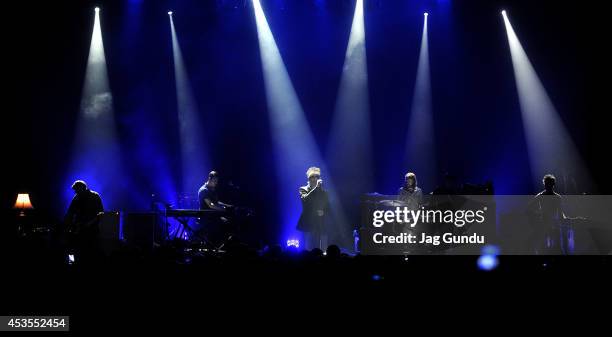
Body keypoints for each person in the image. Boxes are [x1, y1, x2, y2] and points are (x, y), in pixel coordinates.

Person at [64, 180, 104, 263]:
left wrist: (90, 222)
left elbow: (101, 213)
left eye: (77, 190)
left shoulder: (95, 196)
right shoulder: (76, 197)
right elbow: (70, 212)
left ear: (82, 188)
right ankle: (71, 263)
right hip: (78, 229)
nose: (76, 192)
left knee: (89, 251)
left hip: (91, 230)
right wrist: (69, 226)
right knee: (72, 249)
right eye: (75, 191)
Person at [529, 174, 570, 254]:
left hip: (551, 225)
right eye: (546, 184)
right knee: (546, 247)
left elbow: (561, 214)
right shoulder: (546, 196)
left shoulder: (551, 197)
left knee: (551, 247)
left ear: (552, 184)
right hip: (546, 224)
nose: (547, 186)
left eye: (549, 184)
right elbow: (529, 209)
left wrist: (567, 219)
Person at [297, 167, 329, 250]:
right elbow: (305, 200)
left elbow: (327, 207)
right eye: (313, 177)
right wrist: (316, 189)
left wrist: (323, 212)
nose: (315, 179)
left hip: (320, 223)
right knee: (307, 247)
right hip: (307, 222)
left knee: (321, 247)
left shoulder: (324, 192)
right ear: (309, 178)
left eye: (317, 177)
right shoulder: (303, 189)